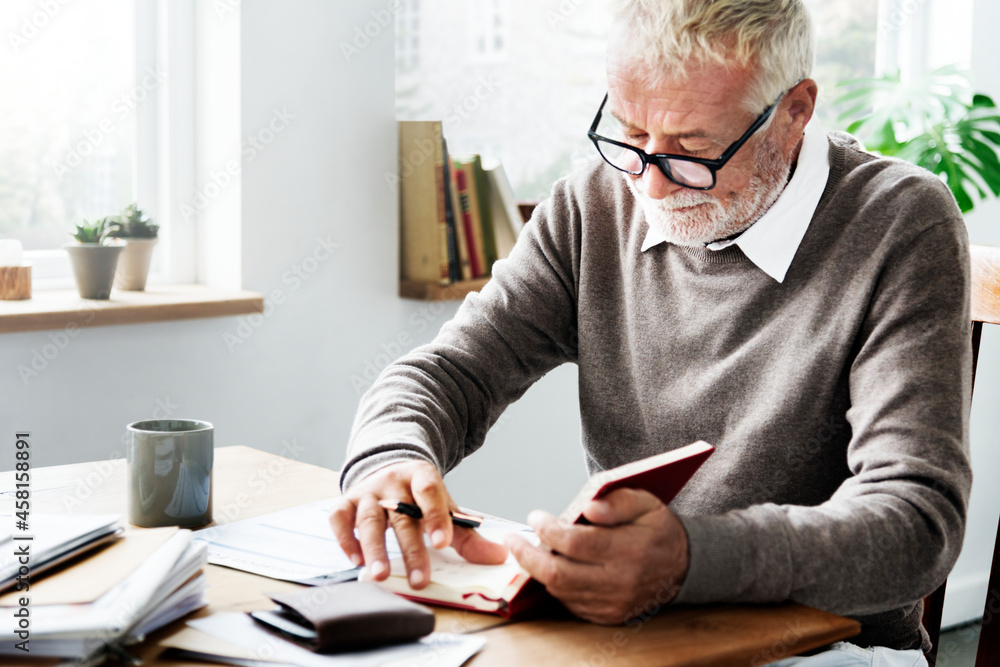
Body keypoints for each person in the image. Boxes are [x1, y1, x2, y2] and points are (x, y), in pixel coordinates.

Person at [331, 0, 973, 664]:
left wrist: (693, 559)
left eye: (692, 152)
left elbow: (917, 523)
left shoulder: (902, 223)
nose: (653, 189)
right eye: (629, 133)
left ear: (795, 112)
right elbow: (451, 373)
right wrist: (390, 457)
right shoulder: (595, 202)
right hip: (634, 640)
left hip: (831, 648)